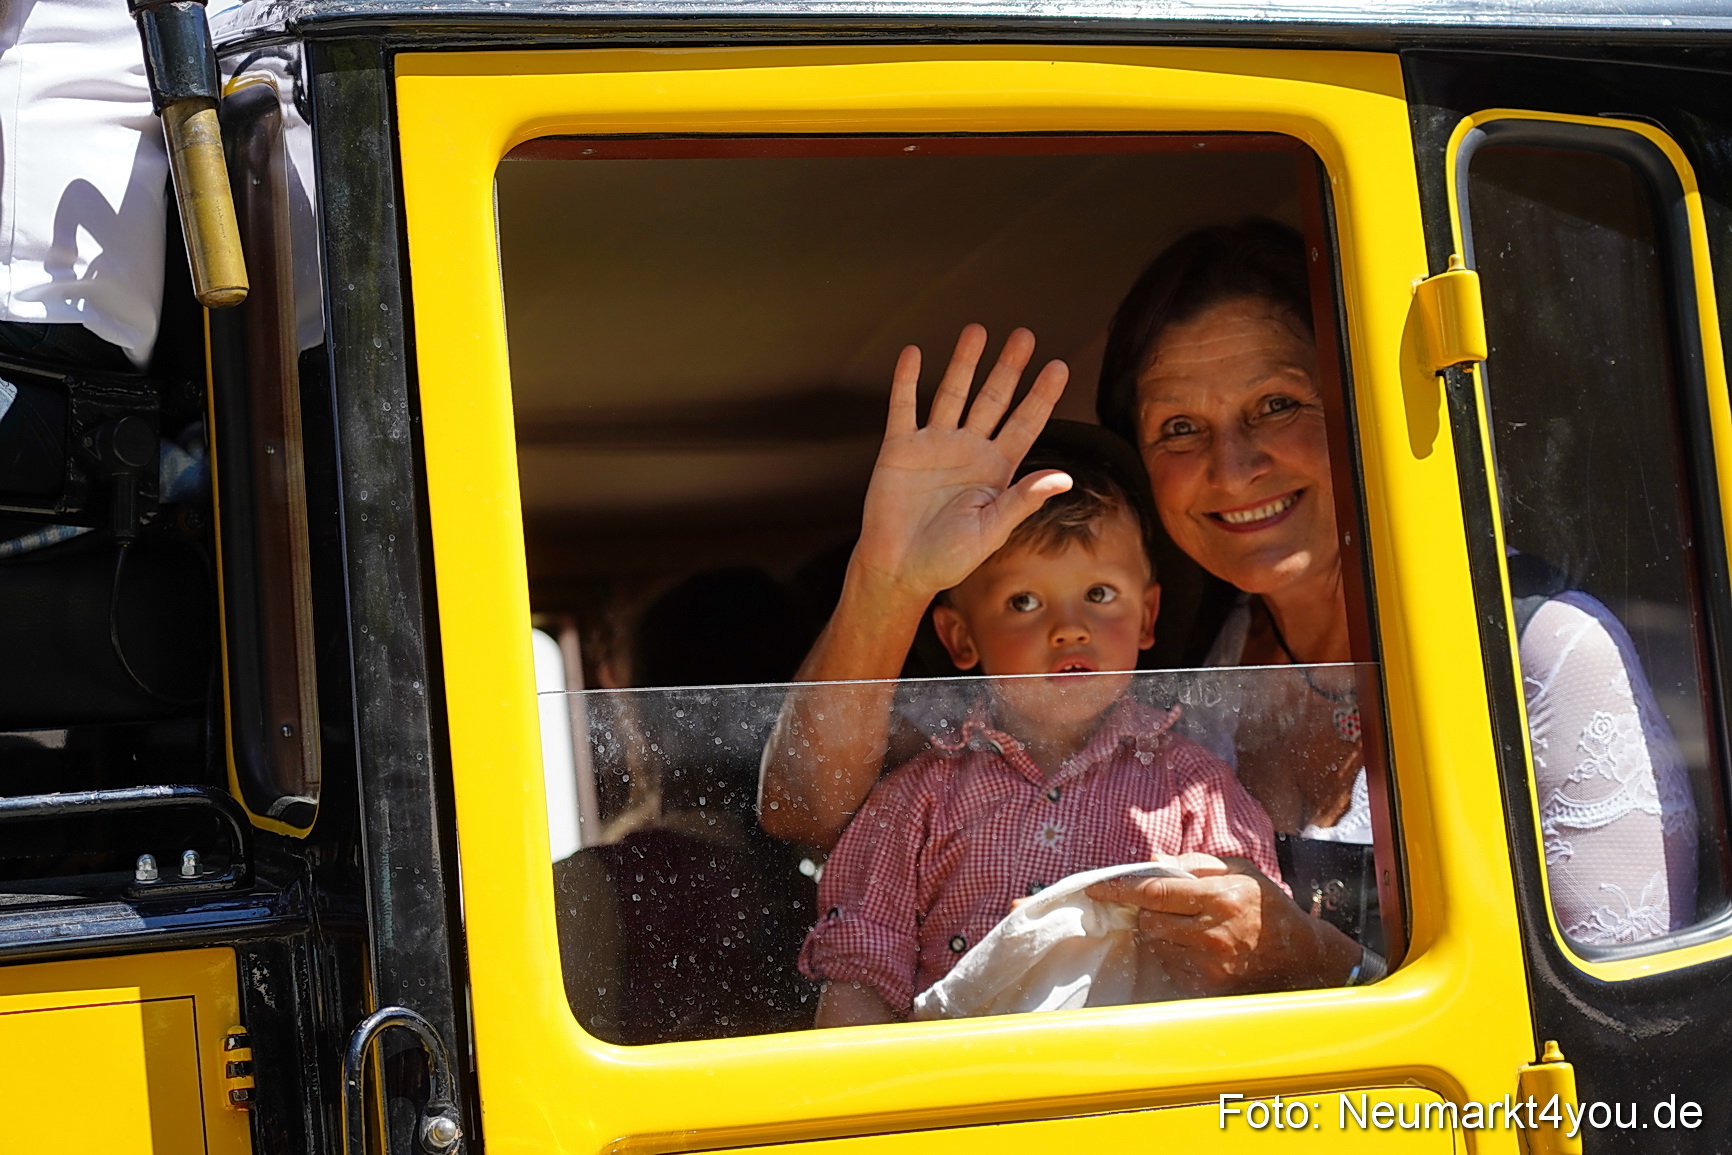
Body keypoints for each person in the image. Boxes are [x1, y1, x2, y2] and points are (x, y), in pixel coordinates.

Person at [763, 218, 1696, 996]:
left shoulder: (1541, 653)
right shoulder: (1198, 677)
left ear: (1358, 403)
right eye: (1180, 428)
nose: (1234, 465)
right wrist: (888, 578)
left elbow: (1612, 1034)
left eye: (1278, 404)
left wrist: (1322, 965)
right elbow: (803, 814)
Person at [797, 442, 1280, 1026]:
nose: (1069, 628)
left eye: (1100, 595)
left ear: (1147, 617)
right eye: (1023, 601)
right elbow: (861, 975)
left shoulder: (1195, 790)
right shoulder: (915, 801)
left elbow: (1254, 952)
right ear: (960, 638)